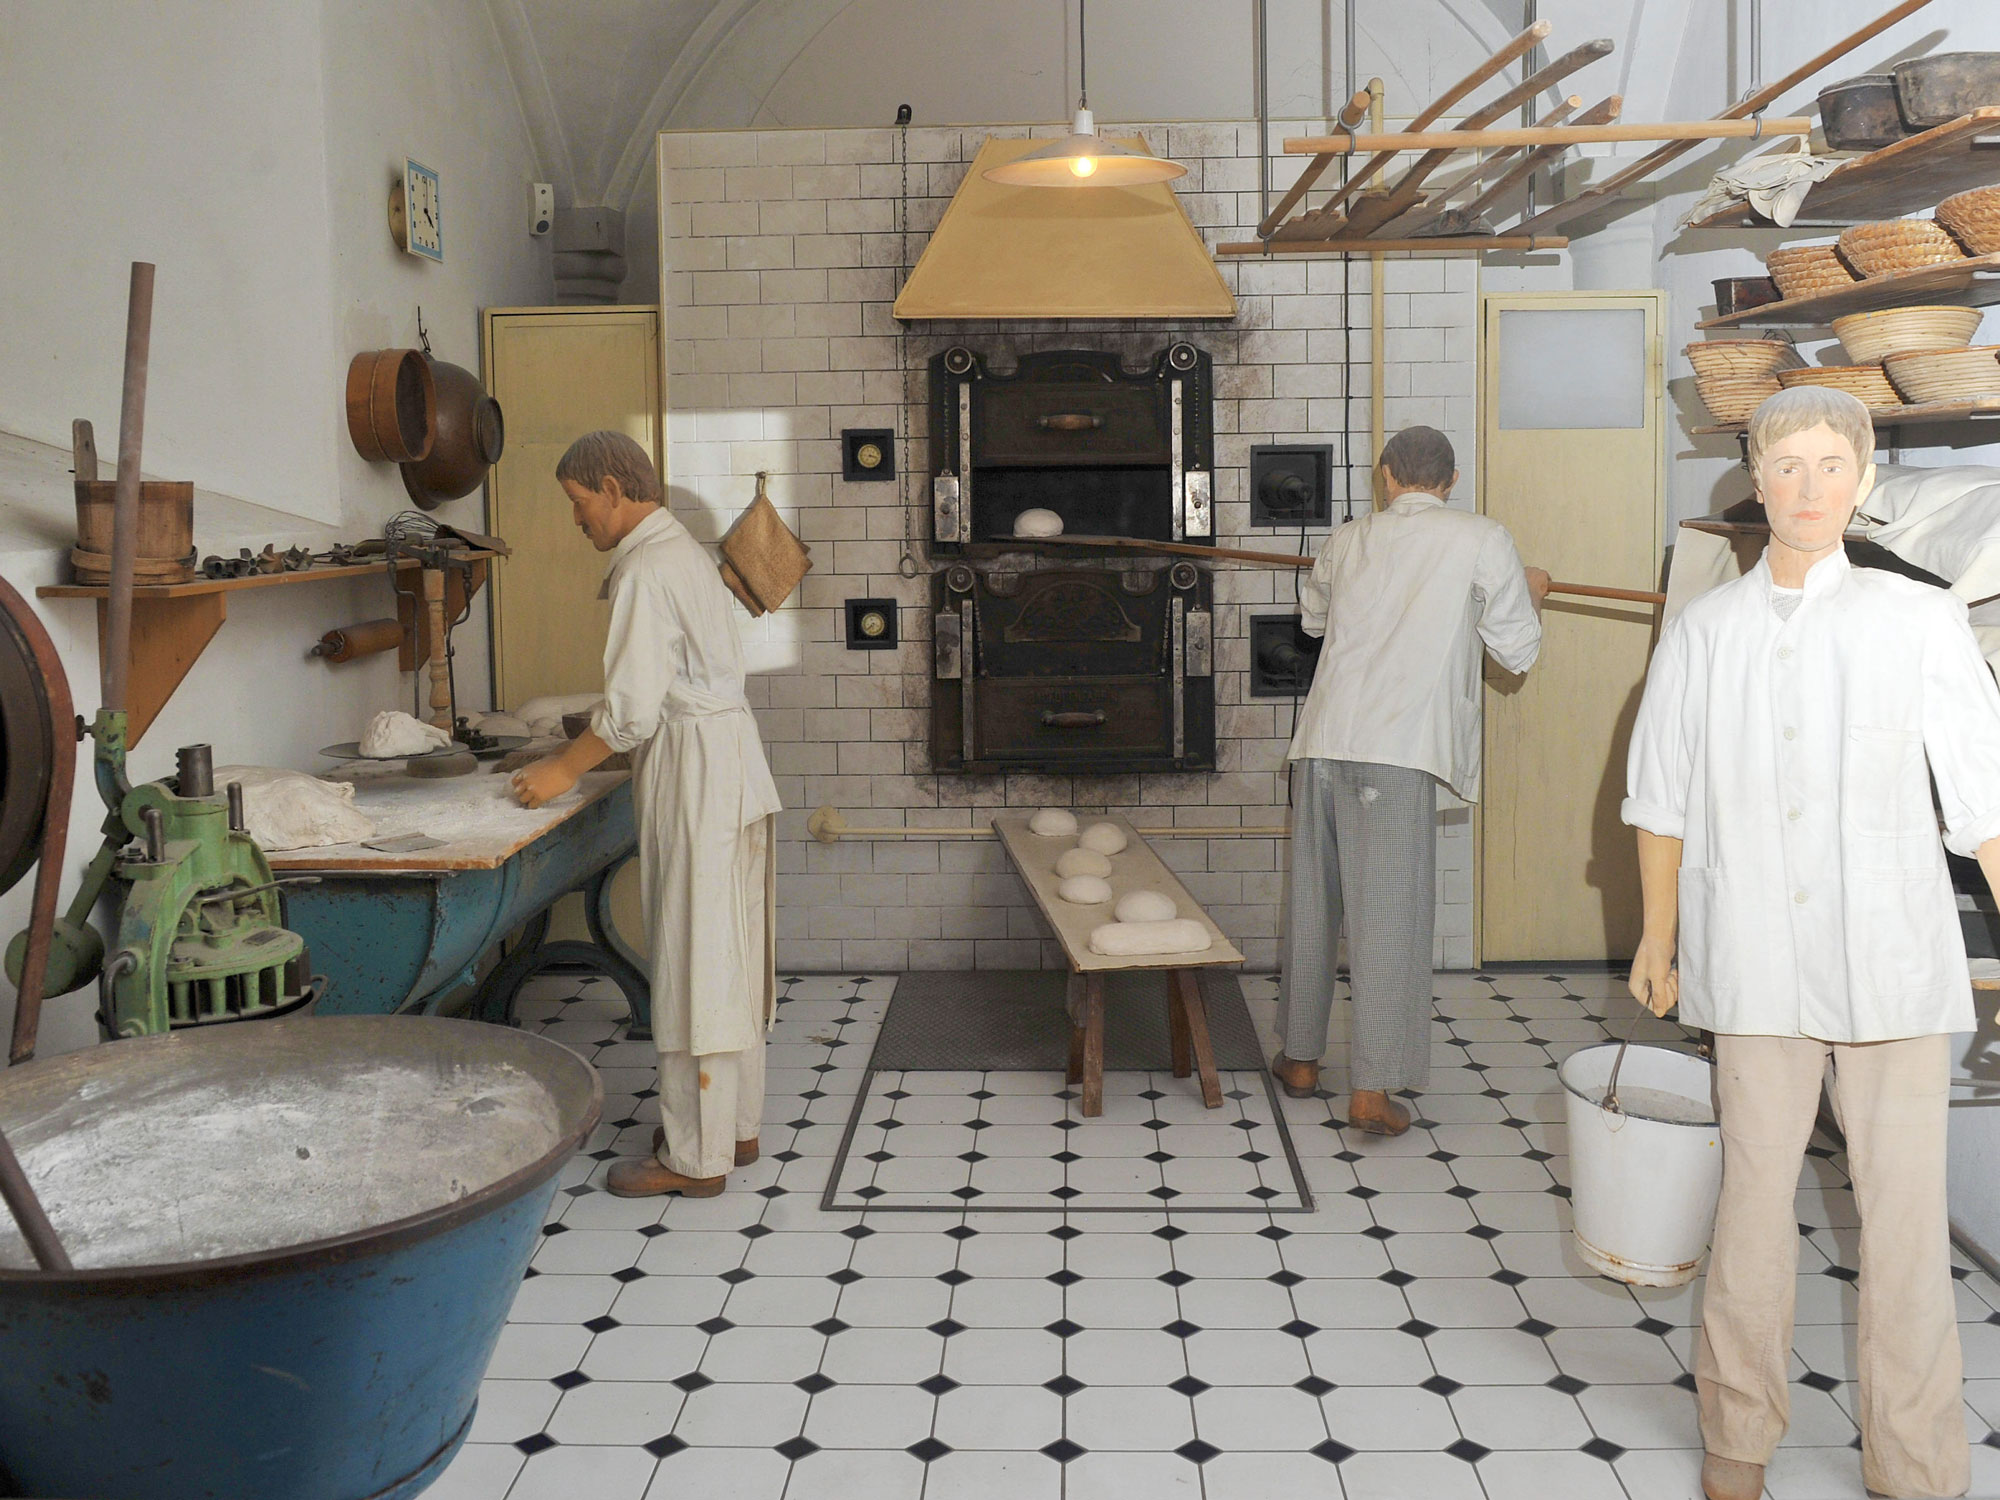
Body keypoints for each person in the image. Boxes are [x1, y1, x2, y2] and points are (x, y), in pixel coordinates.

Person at [1624, 386, 2000, 1500]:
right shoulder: (1703, 632)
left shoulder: (1915, 621)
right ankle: (1736, 1435)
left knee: (1897, 1227)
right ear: (1752, 476)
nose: (1806, 489)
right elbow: (1660, 799)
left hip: (1888, 966)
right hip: (1749, 963)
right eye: (1785, 466)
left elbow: (1984, 807)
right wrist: (1658, 935)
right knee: (1747, 1207)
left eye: (1829, 466)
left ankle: (1913, 1458)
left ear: (1862, 481)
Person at [512, 431, 782, 1199]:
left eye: (577, 505)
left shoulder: (644, 569)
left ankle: (695, 1160)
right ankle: (736, 1126)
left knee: (695, 961)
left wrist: (560, 769)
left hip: (699, 777)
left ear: (611, 488)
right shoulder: (683, 554)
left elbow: (630, 711)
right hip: (732, 765)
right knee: (731, 954)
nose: (577, 522)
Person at [1275, 425, 1549, 1133]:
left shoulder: (1347, 538)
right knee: (1388, 917)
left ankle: (1300, 1060)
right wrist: (1534, 591)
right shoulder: (1481, 537)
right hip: (1397, 751)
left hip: (1323, 742)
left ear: (1387, 477)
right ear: (1450, 481)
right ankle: (1372, 1088)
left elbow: (1313, 623)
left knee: (1314, 902)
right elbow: (1516, 649)